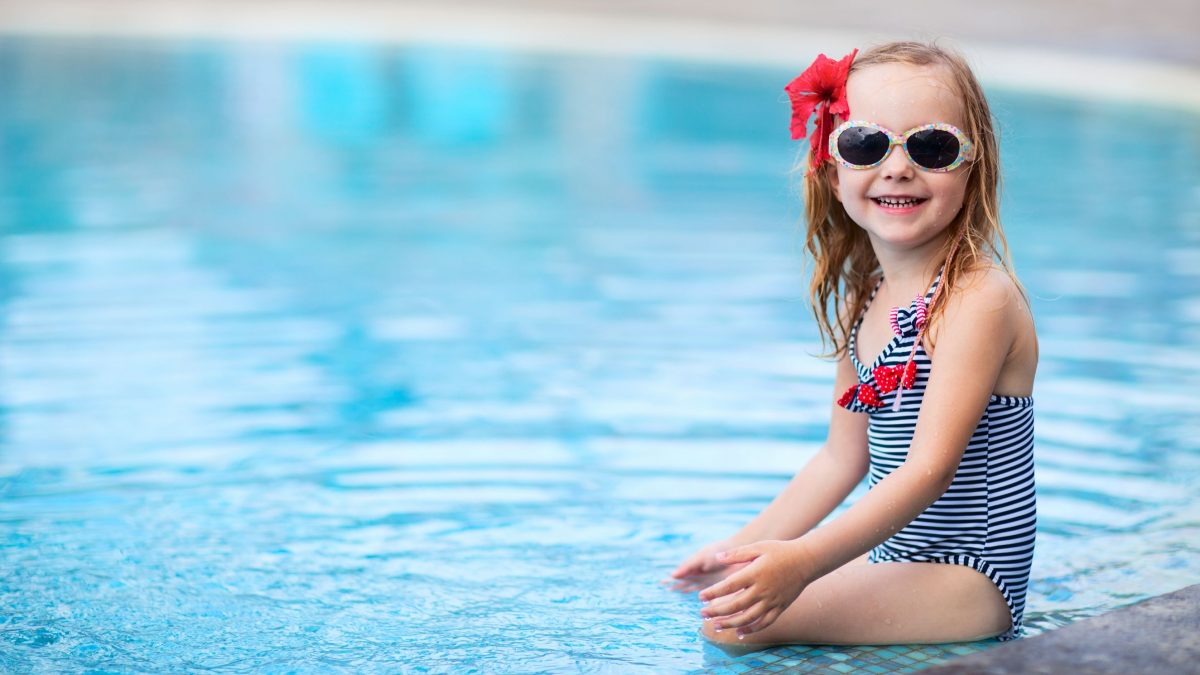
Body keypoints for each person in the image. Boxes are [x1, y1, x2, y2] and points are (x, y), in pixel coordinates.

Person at [666, 41, 1038, 647]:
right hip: (899, 560)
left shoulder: (978, 299)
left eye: (932, 146)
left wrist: (805, 562)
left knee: (732, 626)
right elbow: (842, 459)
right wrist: (738, 550)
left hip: (970, 578)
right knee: (730, 594)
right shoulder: (862, 299)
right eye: (866, 144)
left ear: (975, 166)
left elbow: (930, 468)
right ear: (832, 167)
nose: (897, 168)